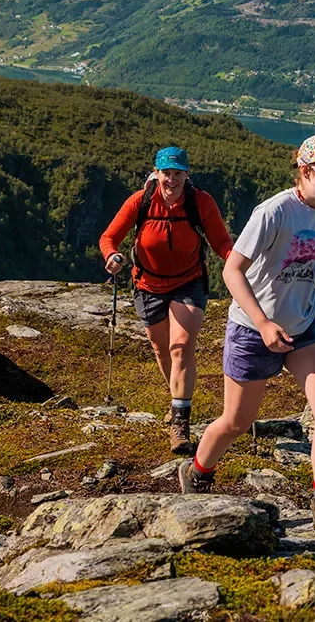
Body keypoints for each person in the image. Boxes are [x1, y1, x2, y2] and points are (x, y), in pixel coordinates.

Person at [178, 133, 315, 533]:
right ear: (306, 170)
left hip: (304, 323)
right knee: (236, 422)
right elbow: (232, 270)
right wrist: (263, 323)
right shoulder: (274, 212)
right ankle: (197, 472)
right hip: (252, 329)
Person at [100, 146, 236, 455]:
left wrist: (238, 265)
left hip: (188, 283)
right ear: (156, 173)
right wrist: (112, 256)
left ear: (187, 175)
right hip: (147, 283)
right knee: (162, 349)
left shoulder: (200, 202)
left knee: (181, 346)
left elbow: (221, 242)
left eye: (177, 174)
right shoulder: (141, 201)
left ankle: (180, 422)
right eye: (166, 174)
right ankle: (176, 396)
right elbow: (109, 237)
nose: (171, 180)